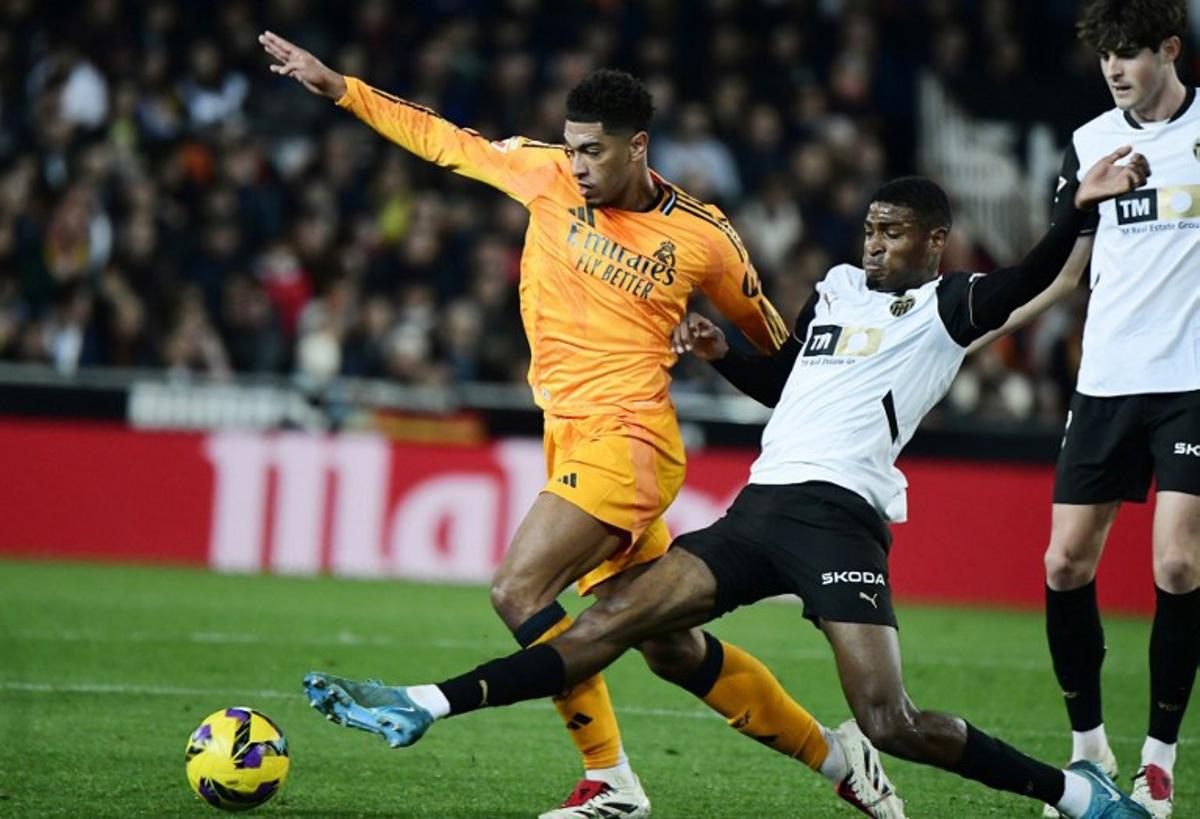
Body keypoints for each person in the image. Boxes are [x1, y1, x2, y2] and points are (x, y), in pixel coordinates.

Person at [301, 147, 1157, 816]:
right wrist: (725, 355)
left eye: (893, 232)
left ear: (933, 242)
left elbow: (1030, 278)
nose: (873, 243)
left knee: (890, 720)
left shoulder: (948, 305)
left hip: (839, 518)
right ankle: (424, 702)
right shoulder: (839, 290)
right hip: (759, 508)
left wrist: (1077, 211)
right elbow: (790, 382)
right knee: (612, 623)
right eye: (870, 228)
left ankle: (1077, 795)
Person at [259, 32, 907, 819]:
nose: (579, 166)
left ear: (638, 146)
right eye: (571, 149)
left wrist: (836, 384)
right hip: (571, 435)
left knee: (518, 587)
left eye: (594, 151)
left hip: (629, 441)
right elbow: (442, 140)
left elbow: (780, 344)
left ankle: (610, 780)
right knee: (669, 646)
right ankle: (841, 758)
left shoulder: (703, 237)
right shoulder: (545, 175)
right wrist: (340, 88)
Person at [968, 3, 1198, 816]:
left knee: (1179, 563)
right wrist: (974, 334)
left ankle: (1158, 760)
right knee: (1064, 563)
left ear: (1170, 49)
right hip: (1105, 382)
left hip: (1190, 384)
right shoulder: (1092, 141)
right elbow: (1066, 273)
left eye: (1129, 53)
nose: (1114, 68)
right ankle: (1089, 748)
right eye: (1105, 55)